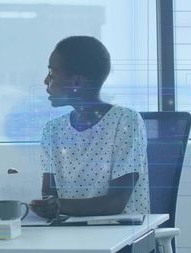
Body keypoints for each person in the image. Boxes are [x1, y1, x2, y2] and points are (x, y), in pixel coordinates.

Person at [30, 36, 150, 219]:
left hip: (119, 237)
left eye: (52, 74)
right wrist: (20, 191)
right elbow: (49, 196)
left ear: (76, 83)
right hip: (69, 235)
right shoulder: (52, 130)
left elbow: (116, 203)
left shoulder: (126, 121)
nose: (46, 81)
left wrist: (58, 205)